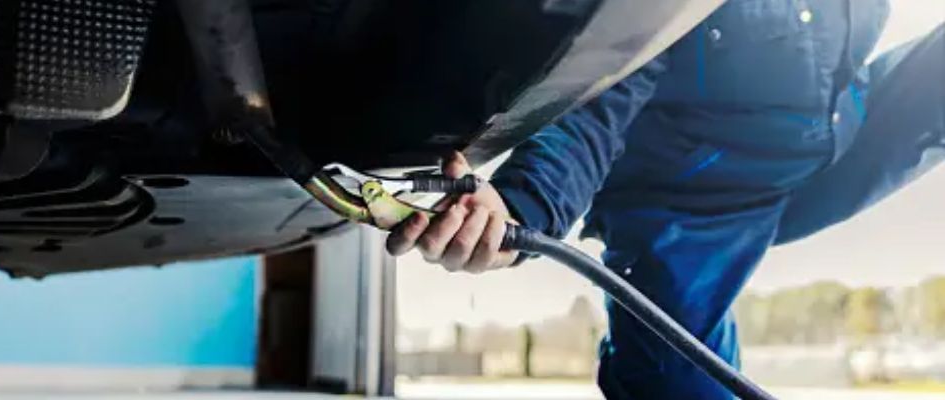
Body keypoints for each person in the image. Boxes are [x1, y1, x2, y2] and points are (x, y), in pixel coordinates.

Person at [385, 0, 945, 398]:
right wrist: (521, 208)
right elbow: (601, 97)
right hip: (692, 203)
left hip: (842, 139)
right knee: (676, 385)